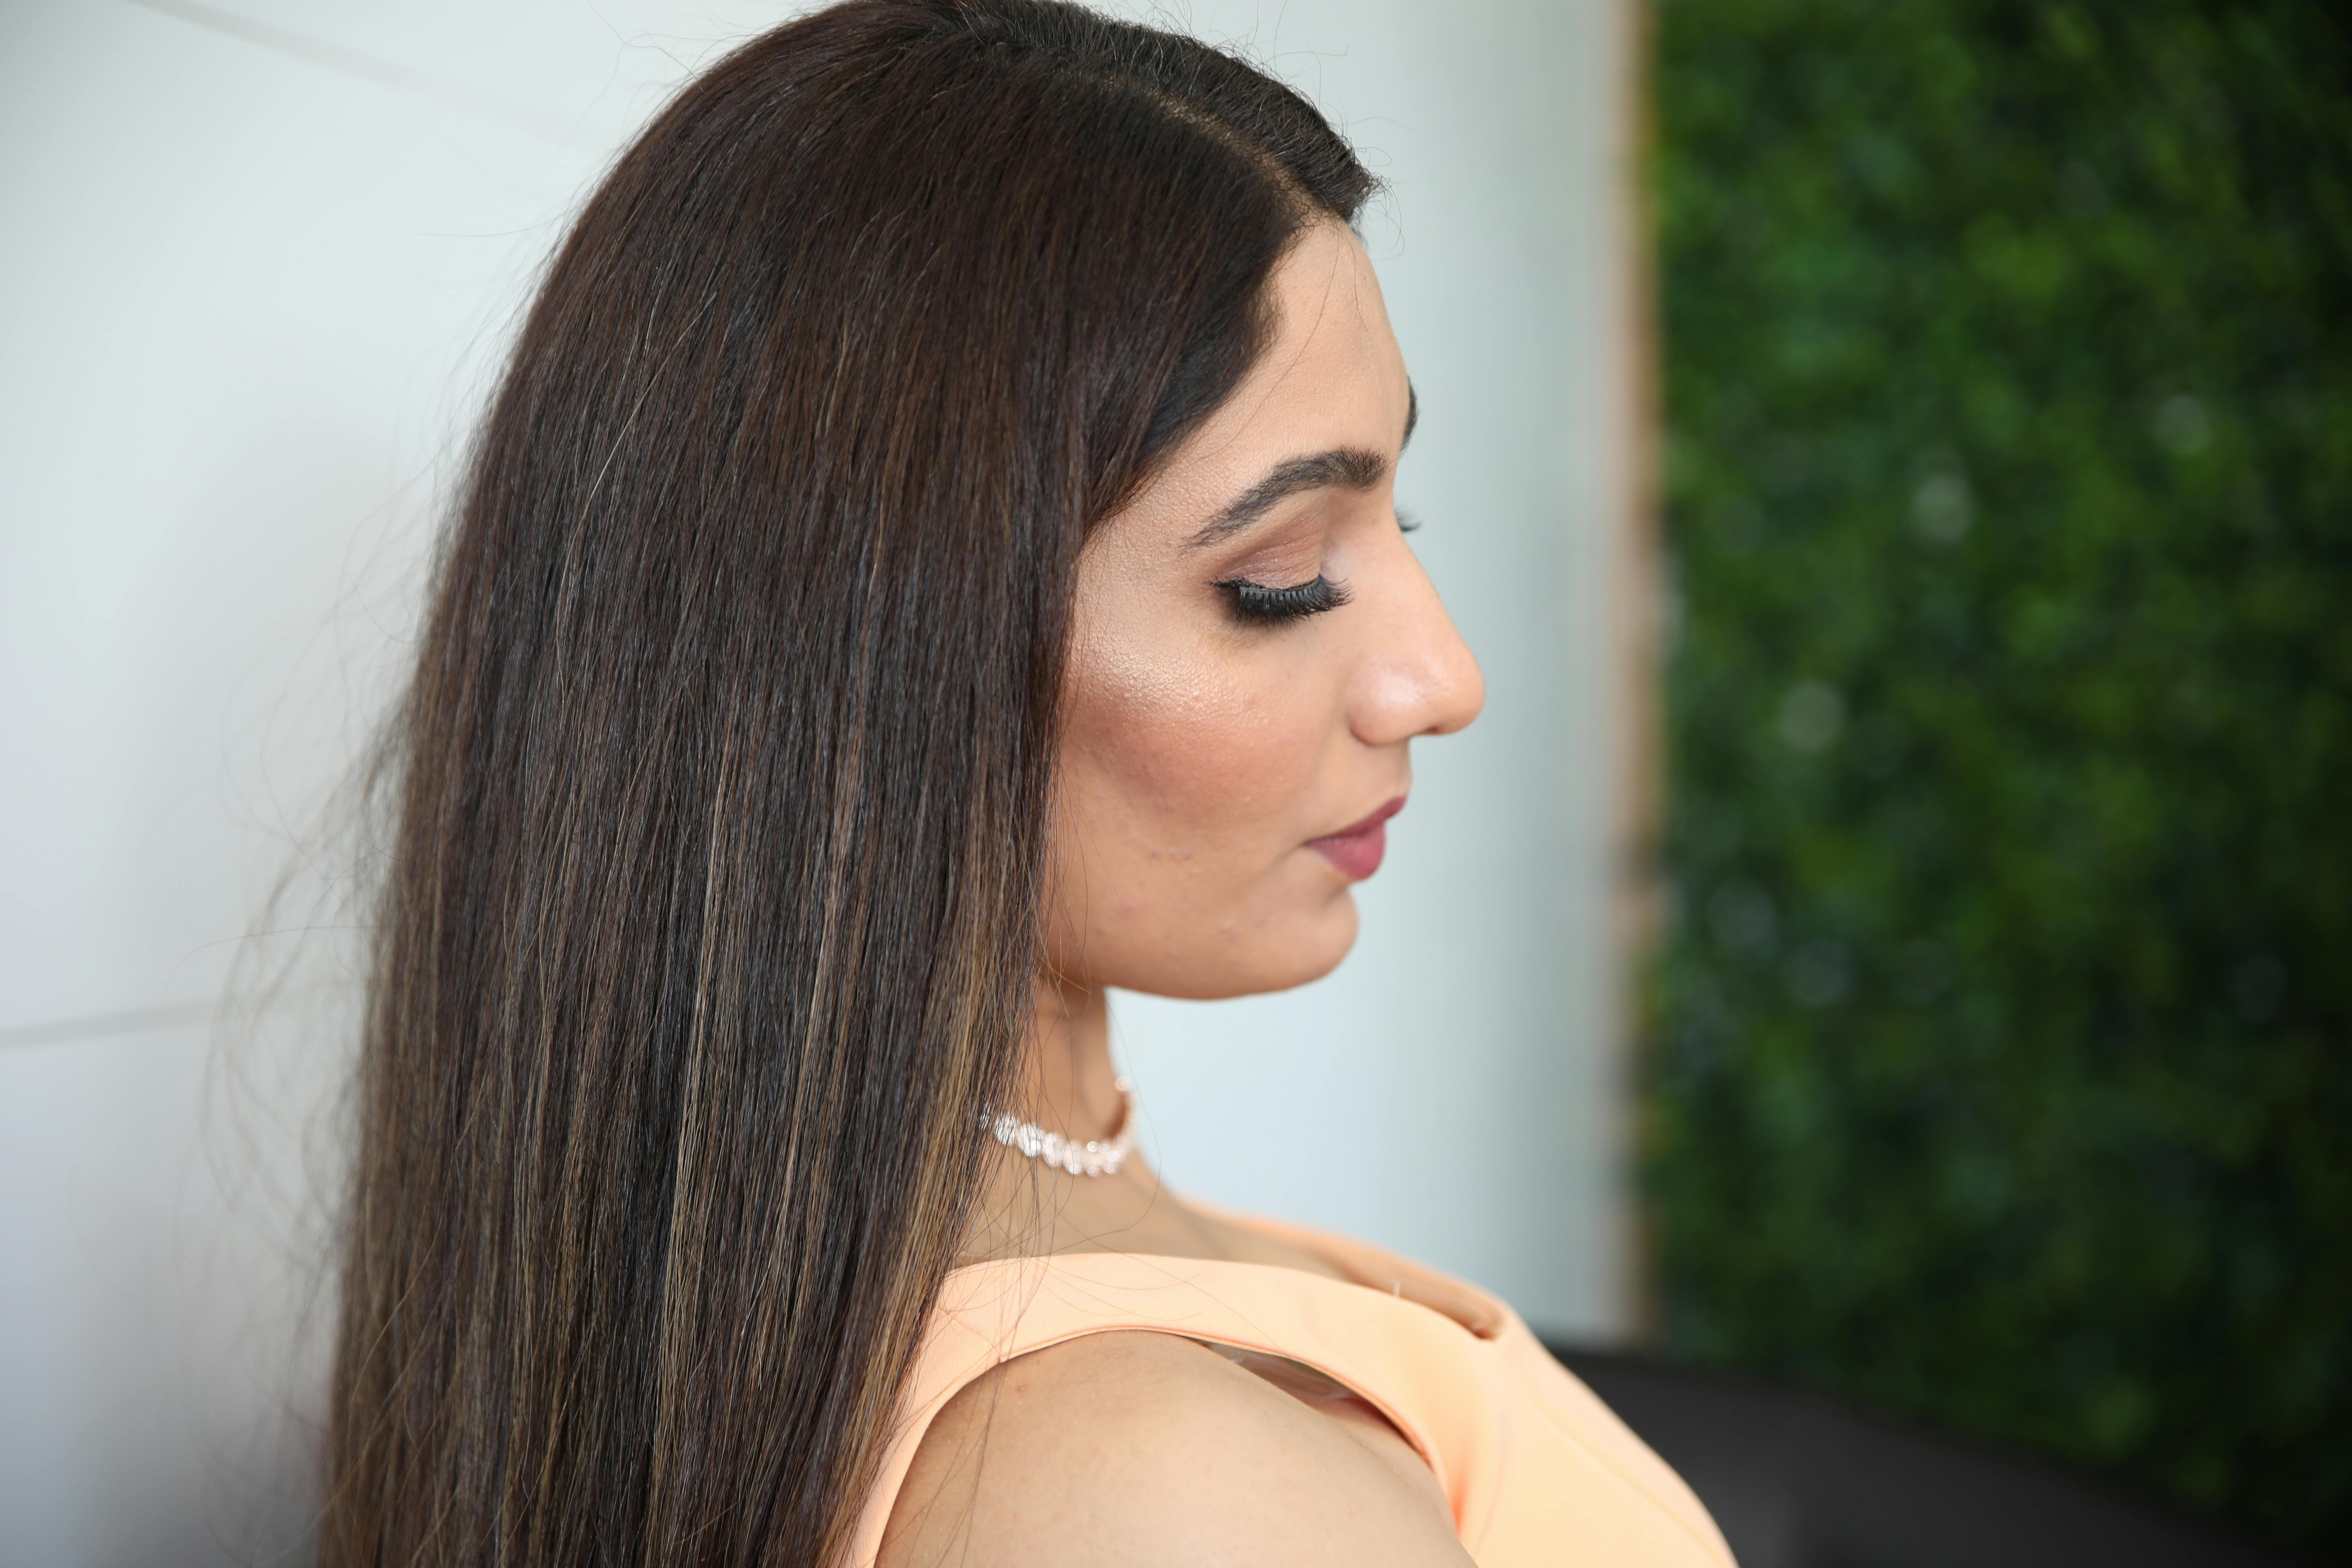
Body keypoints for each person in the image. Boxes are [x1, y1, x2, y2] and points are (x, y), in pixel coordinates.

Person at [320, 3, 1735, 1565]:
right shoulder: (1164, 1499)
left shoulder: (940, 1312)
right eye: (1279, 576)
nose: (1443, 678)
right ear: (862, 652)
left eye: (1400, 513)